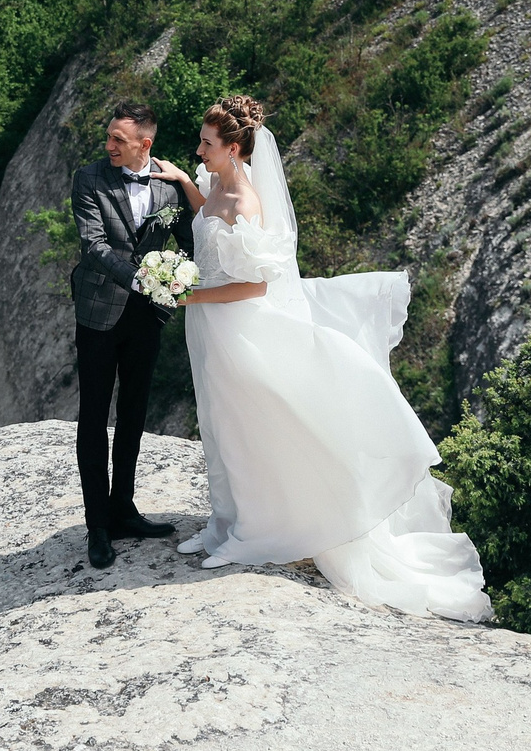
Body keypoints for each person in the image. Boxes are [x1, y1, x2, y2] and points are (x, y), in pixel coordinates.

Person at [166, 94, 492, 621]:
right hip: (210, 323)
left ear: (232, 148)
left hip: (236, 326)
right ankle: (221, 524)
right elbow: (211, 228)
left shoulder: (245, 199)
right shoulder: (215, 186)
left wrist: (187, 295)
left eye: (206, 144)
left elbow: (250, 285)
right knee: (216, 421)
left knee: (243, 426)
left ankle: (248, 534)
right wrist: (185, 183)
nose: (198, 150)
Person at [67, 103, 196, 570]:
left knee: (134, 413)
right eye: (108, 137)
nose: (109, 146)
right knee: (94, 417)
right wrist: (143, 281)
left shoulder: (169, 184)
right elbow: (94, 246)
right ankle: (97, 526)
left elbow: (190, 237)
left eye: (118, 139)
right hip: (99, 312)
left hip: (147, 318)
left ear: (145, 144)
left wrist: (186, 278)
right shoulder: (89, 178)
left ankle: (124, 510)